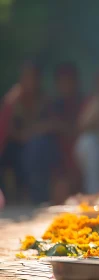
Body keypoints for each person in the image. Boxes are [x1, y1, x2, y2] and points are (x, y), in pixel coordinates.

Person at [0, 62, 60, 204]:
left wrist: (33, 131)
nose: (30, 81)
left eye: (33, 77)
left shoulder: (46, 99)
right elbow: (7, 130)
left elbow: (55, 125)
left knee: (37, 146)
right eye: (27, 77)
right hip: (15, 148)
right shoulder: (13, 101)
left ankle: (38, 197)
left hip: (39, 150)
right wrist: (22, 135)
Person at [50, 62, 85, 203]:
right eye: (62, 82)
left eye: (68, 81)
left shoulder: (85, 103)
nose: (66, 86)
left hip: (80, 163)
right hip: (61, 166)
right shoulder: (54, 106)